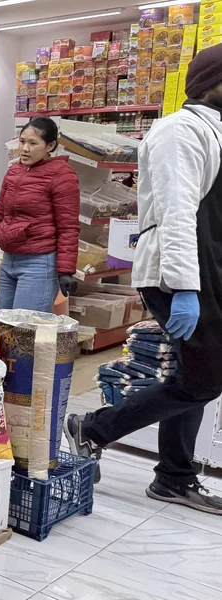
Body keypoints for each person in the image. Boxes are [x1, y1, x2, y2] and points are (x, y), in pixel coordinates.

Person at [65, 45, 222, 515]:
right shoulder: (180, 130)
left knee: (191, 375)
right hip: (182, 273)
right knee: (203, 380)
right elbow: (177, 213)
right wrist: (186, 288)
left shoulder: (215, 131)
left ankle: (174, 477)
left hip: (208, 269)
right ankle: (93, 428)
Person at [0, 118, 80, 311]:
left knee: (24, 325)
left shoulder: (62, 175)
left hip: (39, 264)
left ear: (50, 146)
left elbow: (68, 227)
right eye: (22, 141)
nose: (25, 149)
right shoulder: (14, 171)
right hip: (9, 261)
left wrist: (65, 271)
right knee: (1, 322)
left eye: (33, 143)